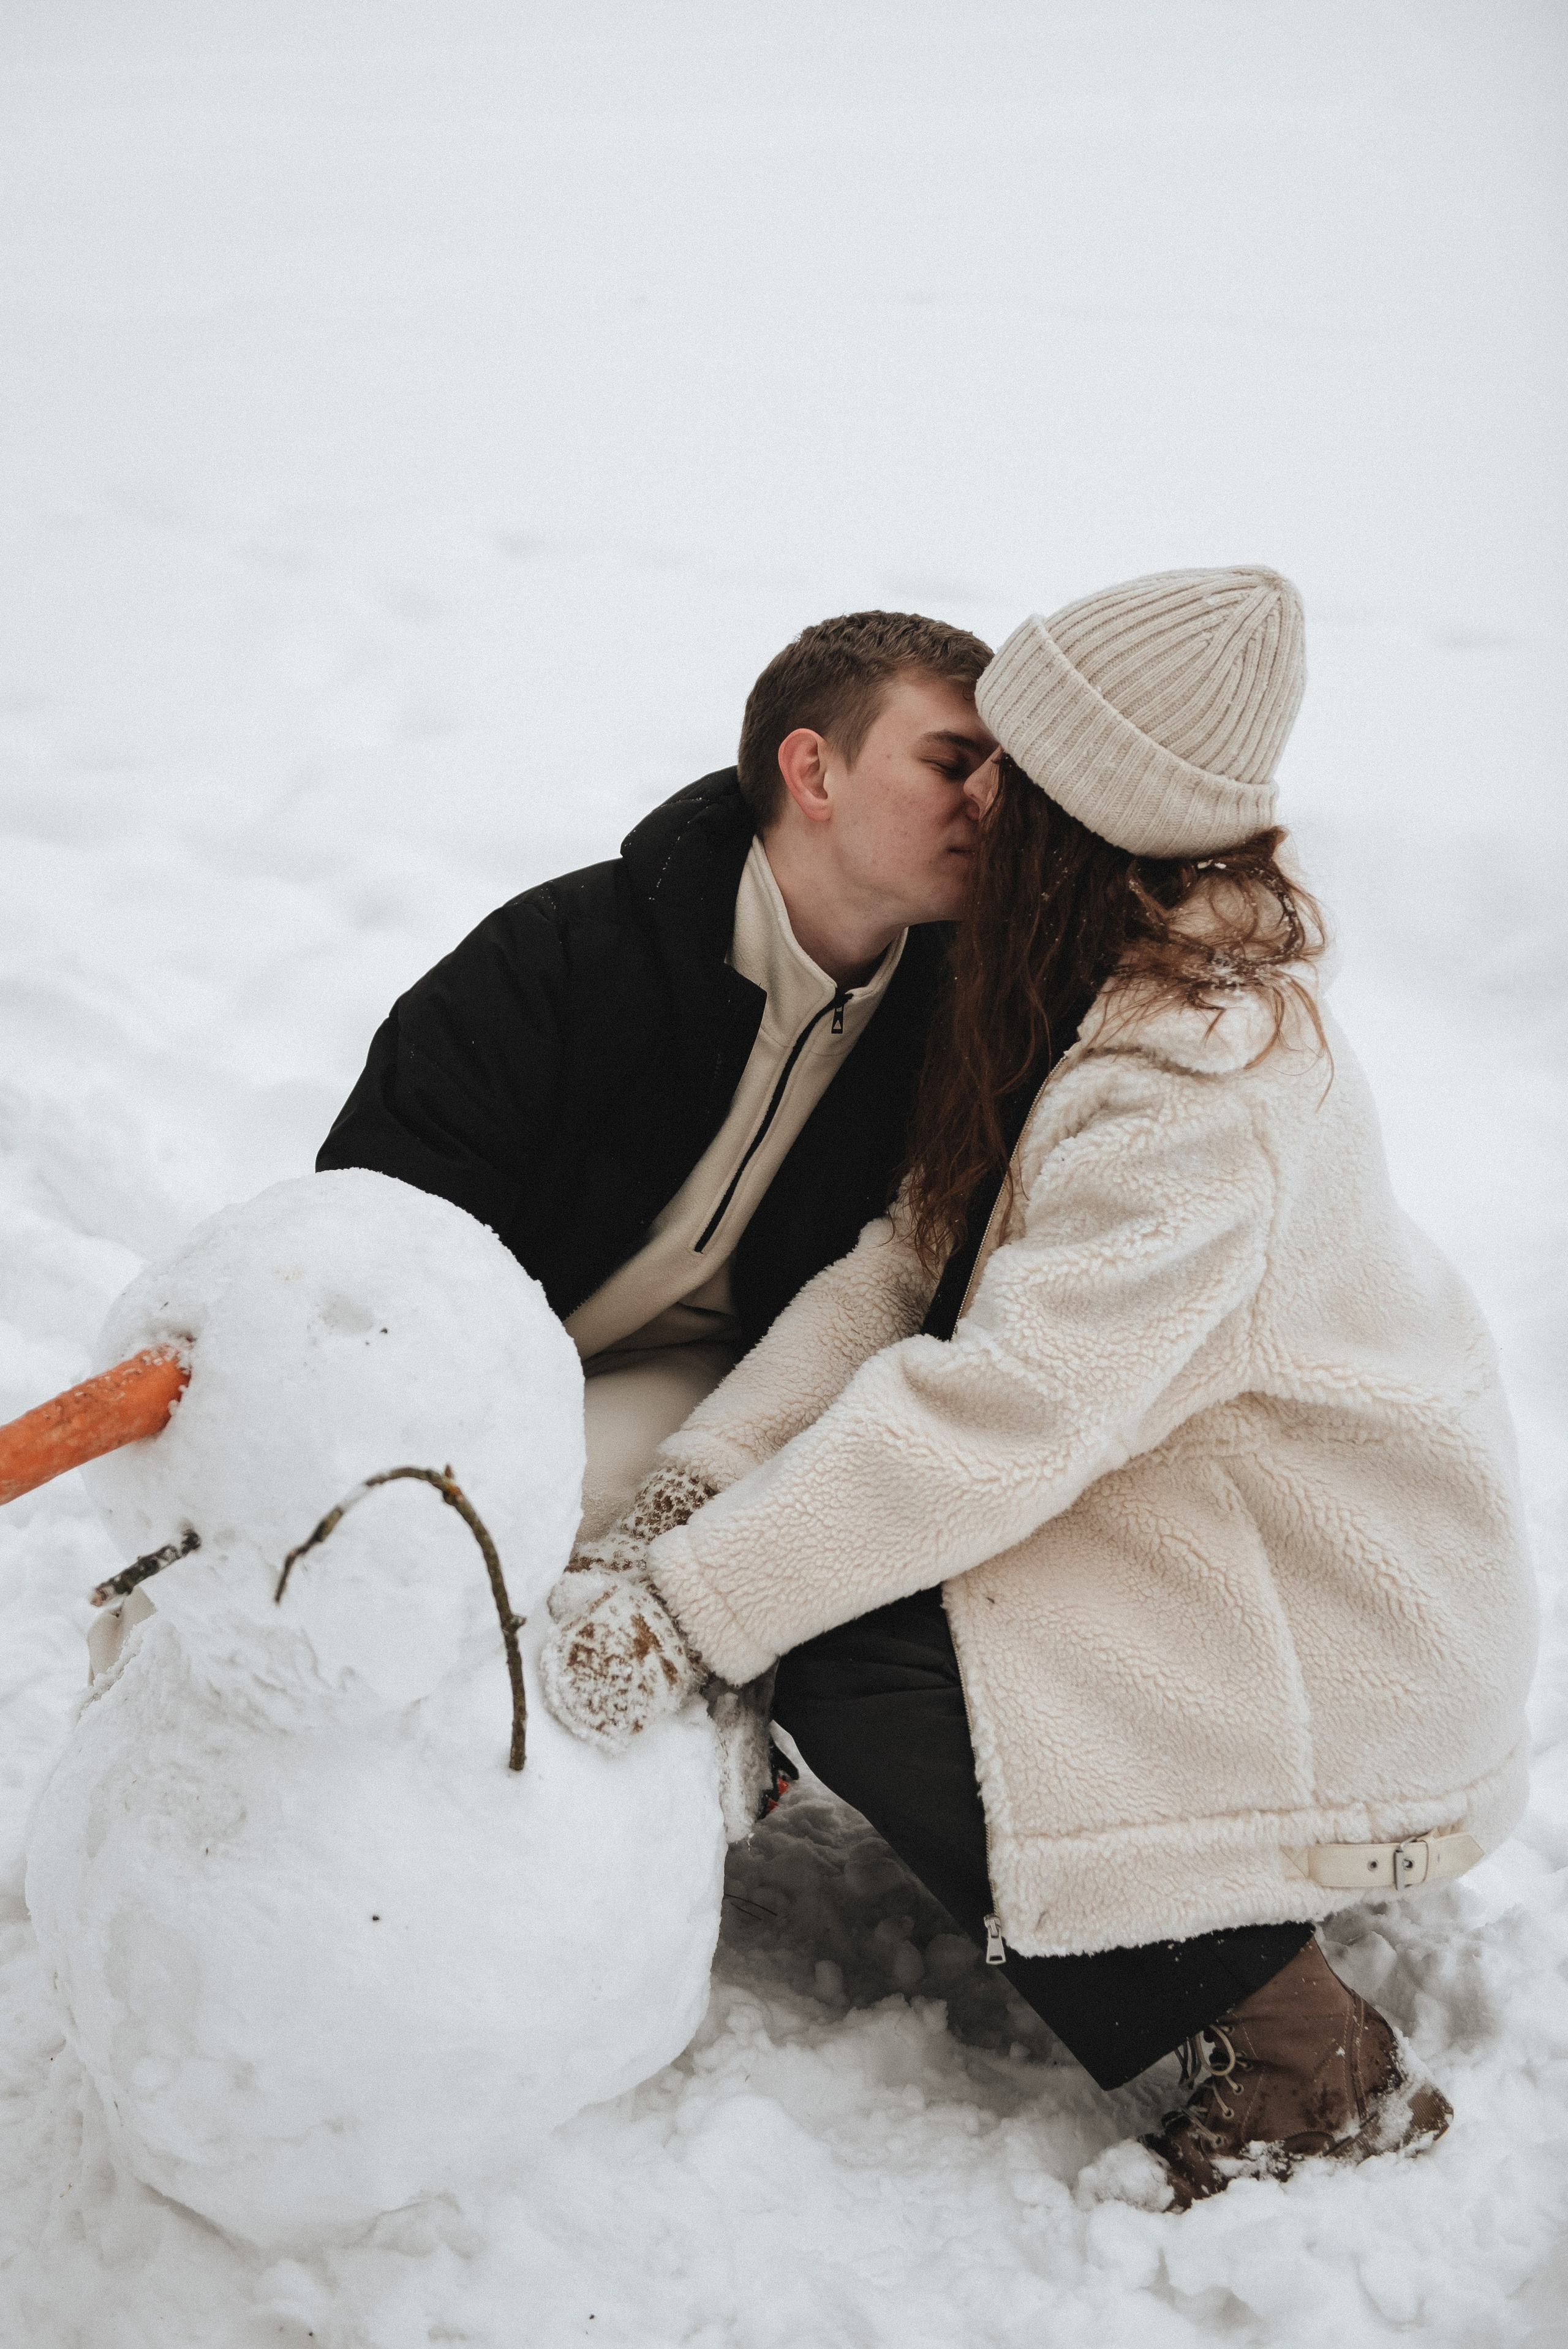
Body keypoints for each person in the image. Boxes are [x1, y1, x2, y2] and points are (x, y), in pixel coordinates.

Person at [537, 567, 1537, 2207]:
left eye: (1012, 764)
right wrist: (689, 1495)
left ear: (1092, 813)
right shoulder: (1095, 991)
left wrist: (693, 1607)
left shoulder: (1202, 1095)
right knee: (811, 1581)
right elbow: (897, 1274)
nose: (974, 789)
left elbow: (997, 1417)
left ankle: (1304, 2063)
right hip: (1215, 1534)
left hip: (1333, 1625)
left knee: (850, 1642)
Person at [86, 611, 997, 1690]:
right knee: (308, 1534)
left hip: (693, 1391)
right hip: (464, 1354)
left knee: (521, 1545)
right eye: (951, 761)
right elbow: (373, 1233)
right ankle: (145, 1740)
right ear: (814, 770)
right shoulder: (564, 957)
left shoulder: (959, 1027)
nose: (987, 800)